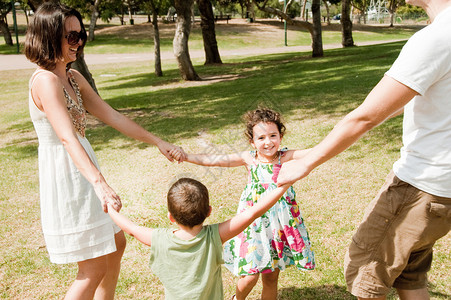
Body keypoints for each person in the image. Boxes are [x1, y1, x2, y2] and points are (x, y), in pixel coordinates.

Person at [276, 0, 451, 298]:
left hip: (420, 188)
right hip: (442, 194)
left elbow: (365, 117)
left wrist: (307, 162)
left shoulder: (436, 37)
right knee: (410, 274)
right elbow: (405, 99)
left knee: (365, 270)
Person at [24, 3, 184, 299]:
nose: (80, 41)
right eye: (71, 36)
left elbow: (114, 116)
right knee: (92, 268)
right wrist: (99, 183)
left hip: (83, 166)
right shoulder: (45, 81)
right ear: (49, 37)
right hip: (68, 173)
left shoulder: (73, 78)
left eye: (81, 34)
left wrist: (157, 141)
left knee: (115, 245)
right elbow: (66, 138)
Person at [174, 108, 315, 300]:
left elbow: (317, 152)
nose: (268, 142)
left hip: (278, 226)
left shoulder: (286, 157)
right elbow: (214, 161)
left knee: (272, 277)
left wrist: (347, 134)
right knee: (250, 275)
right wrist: (186, 156)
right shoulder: (249, 158)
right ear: (252, 141)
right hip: (253, 225)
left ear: (281, 136)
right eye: (261, 138)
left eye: (273, 135)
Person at [107, 177, 290, 299]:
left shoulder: (159, 239)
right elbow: (251, 214)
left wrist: (111, 209)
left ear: (170, 216)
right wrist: (284, 185)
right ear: (209, 211)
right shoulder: (215, 236)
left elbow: (131, 229)